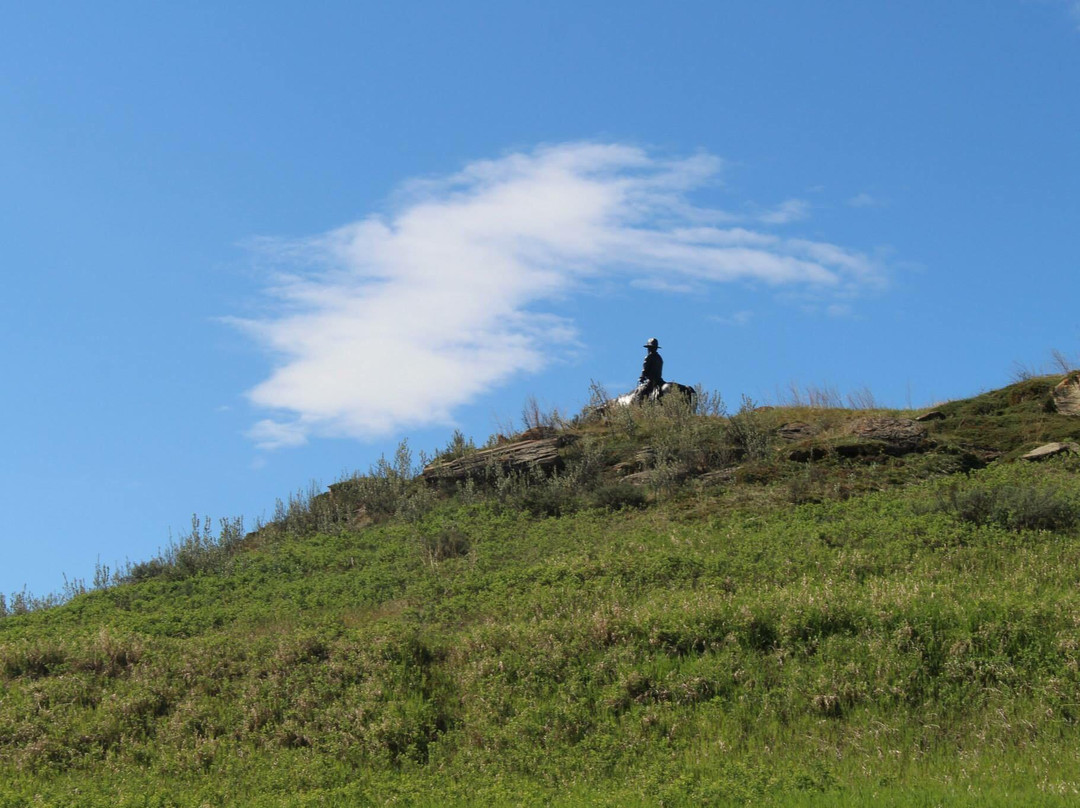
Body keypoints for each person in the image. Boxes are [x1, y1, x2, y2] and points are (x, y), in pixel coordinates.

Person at [633, 338, 665, 403]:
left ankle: (639, 406)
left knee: (640, 392)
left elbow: (644, 370)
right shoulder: (659, 358)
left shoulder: (649, 357)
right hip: (659, 380)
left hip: (651, 381)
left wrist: (641, 378)